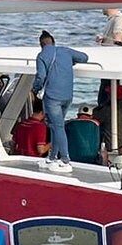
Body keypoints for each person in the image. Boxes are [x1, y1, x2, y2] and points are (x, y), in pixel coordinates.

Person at [32, 30, 89, 170]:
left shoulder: (41, 56)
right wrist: (70, 62)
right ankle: (51, 157)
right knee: (56, 127)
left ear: (41, 44)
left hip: (52, 97)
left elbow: (41, 76)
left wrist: (35, 89)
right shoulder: (66, 51)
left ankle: (65, 160)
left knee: (57, 127)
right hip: (67, 96)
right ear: (53, 42)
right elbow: (84, 57)